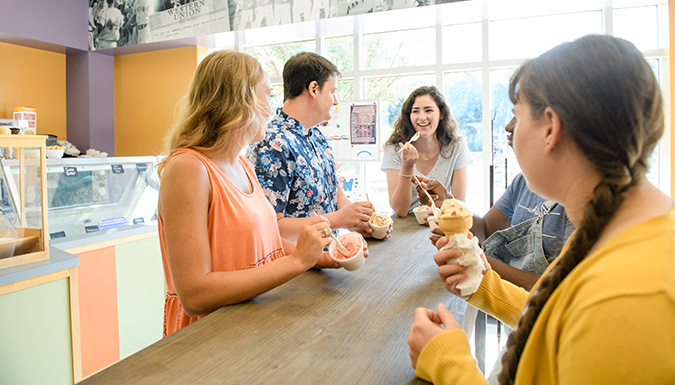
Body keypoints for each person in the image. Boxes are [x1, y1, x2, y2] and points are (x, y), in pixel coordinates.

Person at [407, 35, 675, 384]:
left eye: (516, 116)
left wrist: (449, 363)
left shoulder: (626, 299)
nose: (508, 129)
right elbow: (565, 318)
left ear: (550, 128)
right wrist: (486, 286)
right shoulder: (627, 240)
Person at [157, 50, 347, 337]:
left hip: (250, 321)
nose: (272, 109)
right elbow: (195, 295)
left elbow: (267, 242)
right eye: (267, 96)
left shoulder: (242, 164)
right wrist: (297, 262)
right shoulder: (187, 168)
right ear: (238, 99)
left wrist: (321, 257)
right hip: (208, 336)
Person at [420, 119, 575, 291]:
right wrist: (450, 203)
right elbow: (486, 230)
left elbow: (558, 291)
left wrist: (474, 260)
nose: (508, 126)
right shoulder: (523, 182)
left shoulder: (581, 201)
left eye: (519, 114)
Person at [247, 52, 388, 241]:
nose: (336, 101)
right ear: (314, 89)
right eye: (332, 91)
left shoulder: (316, 136)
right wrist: (338, 220)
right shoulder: (272, 144)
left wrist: (360, 221)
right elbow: (271, 226)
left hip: (328, 258)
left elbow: (336, 195)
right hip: (296, 266)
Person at [381, 86, 471, 217]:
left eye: (428, 110)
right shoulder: (395, 149)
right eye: (416, 111)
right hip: (405, 225)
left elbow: (459, 205)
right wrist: (407, 166)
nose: (422, 117)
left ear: (442, 114)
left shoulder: (456, 146)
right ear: (409, 116)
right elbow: (400, 210)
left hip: (443, 220)